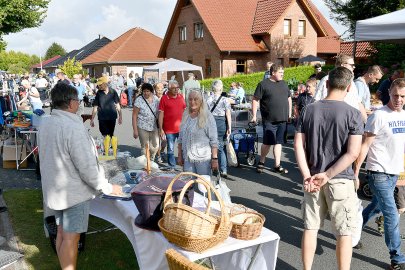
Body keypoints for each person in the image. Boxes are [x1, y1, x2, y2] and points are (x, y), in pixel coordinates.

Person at [38, 82, 121, 270]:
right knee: (70, 238)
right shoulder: (72, 127)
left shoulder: (46, 122)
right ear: (70, 103)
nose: (79, 103)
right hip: (72, 193)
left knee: (61, 233)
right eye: (77, 100)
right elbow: (87, 168)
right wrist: (107, 187)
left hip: (56, 189)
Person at [295, 67, 364, 270]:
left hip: (313, 178)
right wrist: (328, 174)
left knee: (310, 227)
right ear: (349, 87)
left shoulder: (309, 109)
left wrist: (308, 175)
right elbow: (353, 153)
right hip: (340, 179)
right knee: (344, 232)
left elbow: (298, 144)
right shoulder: (353, 114)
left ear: (326, 84)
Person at [354, 78, 405, 270]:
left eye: (402, 96)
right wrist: (356, 172)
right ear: (389, 94)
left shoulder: (404, 115)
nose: (398, 99)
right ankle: (397, 258)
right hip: (378, 172)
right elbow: (365, 146)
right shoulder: (379, 116)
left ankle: (353, 230)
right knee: (391, 213)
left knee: (376, 206)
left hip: (394, 172)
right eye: (395, 96)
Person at [251, 64, 292, 174]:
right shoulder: (263, 84)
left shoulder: (284, 84)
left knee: (278, 143)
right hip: (269, 120)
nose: (282, 74)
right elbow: (255, 100)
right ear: (273, 72)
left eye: (283, 73)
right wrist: (254, 116)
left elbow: (289, 99)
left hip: (282, 119)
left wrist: (289, 113)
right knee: (267, 143)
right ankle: (261, 162)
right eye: (280, 72)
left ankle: (277, 165)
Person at [314, 54, 367, 123]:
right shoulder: (328, 79)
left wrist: (365, 122)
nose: (354, 67)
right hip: (336, 122)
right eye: (351, 65)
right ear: (343, 65)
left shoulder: (351, 82)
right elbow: (319, 102)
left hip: (351, 121)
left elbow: (357, 103)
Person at [178, 89, 218, 177]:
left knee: (203, 187)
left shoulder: (208, 116)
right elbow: (180, 138)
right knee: (189, 186)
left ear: (201, 101)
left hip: (203, 159)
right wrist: (180, 155)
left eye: (195, 99)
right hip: (188, 158)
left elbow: (214, 139)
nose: (192, 102)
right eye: (190, 99)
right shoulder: (185, 114)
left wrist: (214, 159)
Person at [158, 80, 186, 170]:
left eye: (177, 88)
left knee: (183, 148)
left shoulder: (181, 97)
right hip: (169, 129)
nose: (176, 90)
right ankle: (172, 166)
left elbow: (185, 111)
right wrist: (161, 128)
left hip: (181, 129)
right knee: (170, 149)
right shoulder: (164, 98)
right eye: (174, 88)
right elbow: (161, 114)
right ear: (169, 89)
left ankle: (185, 165)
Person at [207, 80, 232, 178]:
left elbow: (206, 113)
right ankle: (224, 169)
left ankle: (212, 167)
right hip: (221, 123)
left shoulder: (208, 99)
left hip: (211, 123)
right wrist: (229, 127)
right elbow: (228, 114)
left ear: (212, 88)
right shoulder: (225, 100)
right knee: (221, 147)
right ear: (221, 89)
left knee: (211, 146)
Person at [132, 83, 160, 160]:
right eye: (144, 91)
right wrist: (135, 130)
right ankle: (145, 163)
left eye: (148, 91)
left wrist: (161, 127)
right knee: (145, 147)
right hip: (142, 126)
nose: (146, 93)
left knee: (155, 146)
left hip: (154, 126)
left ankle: (151, 159)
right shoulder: (139, 100)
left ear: (151, 91)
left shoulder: (156, 99)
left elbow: (159, 113)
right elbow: (134, 116)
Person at [154, 82, 167, 163]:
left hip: (165, 121)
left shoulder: (165, 98)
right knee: (157, 140)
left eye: (161, 89)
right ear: (155, 90)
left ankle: (162, 151)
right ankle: (158, 155)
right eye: (158, 89)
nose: (160, 91)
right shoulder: (153, 98)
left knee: (164, 140)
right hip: (155, 121)